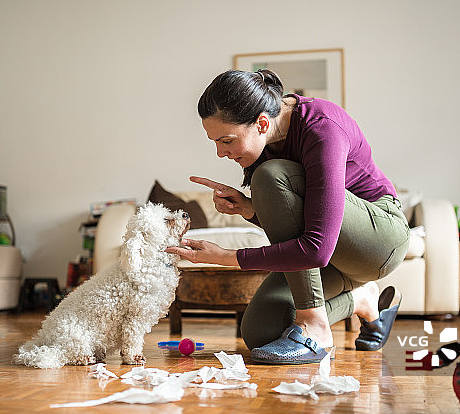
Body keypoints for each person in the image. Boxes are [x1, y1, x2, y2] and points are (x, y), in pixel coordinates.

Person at [165, 69, 410, 365]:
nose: (220, 153)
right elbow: (297, 227)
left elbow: (316, 249)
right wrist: (249, 209)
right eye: (215, 141)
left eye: (227, 140)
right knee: (261, 332)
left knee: (269, 176)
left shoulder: (322, 127)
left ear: (262, 123)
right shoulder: (267, 146)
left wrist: (226, 257)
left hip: (377, 241)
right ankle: (361, 300)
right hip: (332, 256)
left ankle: (316, 328)